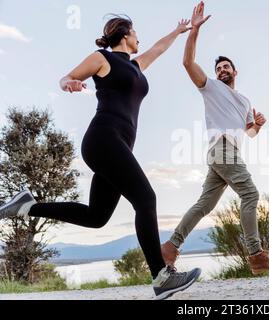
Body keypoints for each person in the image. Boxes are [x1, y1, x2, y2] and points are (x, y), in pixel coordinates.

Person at [0, 14, 200, 300]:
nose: (138, 39)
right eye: (135, 33)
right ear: (124, 34)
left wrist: (179, 31)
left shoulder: (135, 65)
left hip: (117, 145)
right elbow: (65, 77)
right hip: (103, 139)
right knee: (146, 199)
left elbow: (157, 49)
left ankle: (26, 207)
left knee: (96, 217)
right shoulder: (102, 58)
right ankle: (161, 275)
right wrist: (69, 83)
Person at [161, 2, 269, 276]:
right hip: (220, 150)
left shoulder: (244, 101)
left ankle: (171, 247)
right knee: (250, 193)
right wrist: (194, 30)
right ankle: (255, 255)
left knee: (204, 205)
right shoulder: (210, 87)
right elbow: (187, 62)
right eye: (218, 68)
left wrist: (259, 126)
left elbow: (249, 134)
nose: (221, 70)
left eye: (226, 67)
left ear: (235, 71)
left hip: (230, 153)